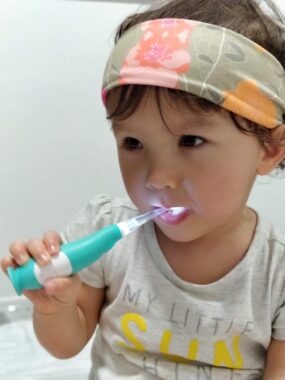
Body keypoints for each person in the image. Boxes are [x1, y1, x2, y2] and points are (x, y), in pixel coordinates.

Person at [2, 0, 285, 378]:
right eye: (133, 143)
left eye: (190, 140)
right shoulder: (104, 227)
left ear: (269, 149)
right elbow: (65, 345)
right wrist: (54, 306)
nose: (157, 177)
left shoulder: (276, 273)